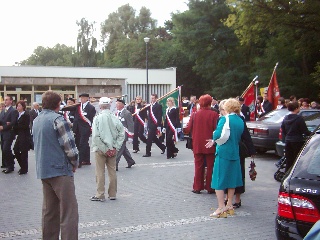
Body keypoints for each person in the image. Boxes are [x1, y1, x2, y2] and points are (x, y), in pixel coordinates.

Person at [33, 90, 79, 239]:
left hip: (44, 169)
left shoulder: (37, 119)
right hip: (60, 170)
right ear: (58, 104)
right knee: (68, 212)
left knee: (49, 212)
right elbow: (69, 146)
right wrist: (74, 162)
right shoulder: (58, 120)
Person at [206, 98, 244, 218]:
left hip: (223, 152)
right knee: (232, 180)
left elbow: (217, 134)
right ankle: (229, 204)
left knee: (218, 180)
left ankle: (221, 206)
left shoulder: (224, 119)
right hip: (235, 152)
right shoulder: (240, 120)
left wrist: (213, 137)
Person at [219, 100, 256, 208]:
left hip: (228, 149)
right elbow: (246, 136)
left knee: (228, 172)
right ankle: (236, 199)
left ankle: (228, 198)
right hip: (239, 148)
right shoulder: (240, 119)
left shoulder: (223, 119)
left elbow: (219, 135)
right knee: (239, 174)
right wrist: (252, 150)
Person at [91, 97, 124, 202]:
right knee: (112, 171)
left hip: (100, 149)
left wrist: (105, 148)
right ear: (110, 106)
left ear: (100, 106)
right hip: (113, 149)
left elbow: (95, 136)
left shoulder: (97, 118)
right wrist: (115, 147)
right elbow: (121, 134)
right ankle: (112, 193)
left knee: (100, 172)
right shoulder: (115, 118)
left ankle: (100, 194)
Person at [185, 94, 219, 194]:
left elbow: (187, 129)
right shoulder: (214, 114)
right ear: (209, 103)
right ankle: (210, 187)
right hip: (210, 143)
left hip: (198, 143)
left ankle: (197, 187)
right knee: (210, 166)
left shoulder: (195, 114)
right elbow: (216, 129)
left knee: (198, 166)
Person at [63, 93, 96, 167]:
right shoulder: (78, 106)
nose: (82, 99)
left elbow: (91, 118)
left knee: (82, 144)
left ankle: (80, 162)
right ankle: (86, 160)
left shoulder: (91, 107)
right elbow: (69, 109)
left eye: (83, 98)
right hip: (77, 128)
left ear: (87, 98)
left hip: (85, 128)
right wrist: (62, 107)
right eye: (81, 98)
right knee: (78, 144)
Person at [281, 101, 310, 172]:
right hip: (297, 141)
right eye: (299, 107)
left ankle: (287, 173)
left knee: (289, 159)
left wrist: (286, 137)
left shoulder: (285, 118)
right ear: (296, 108)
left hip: (288, 141)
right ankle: (295, 173)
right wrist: (311, 134)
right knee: (296, 160)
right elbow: (304, 131)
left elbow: (283, 129)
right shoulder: (299, 119)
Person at [115, 98, 136, 171]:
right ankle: (130, 161)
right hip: (118, 134)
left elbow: (130, 125)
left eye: (118, 104)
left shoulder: (127, 113)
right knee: (123, 149)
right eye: (116, 104)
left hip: (124, 134)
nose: (116, 105)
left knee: (119, 149)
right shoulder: (117, 112)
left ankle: (115, 165)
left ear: (122, 105)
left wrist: (131, 136)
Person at [13, 100, 32, 175]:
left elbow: (25, 126)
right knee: (15, 150)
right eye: (17, 106)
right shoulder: (17, 114)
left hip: (25, 135)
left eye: (19, 106)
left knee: (24, 152)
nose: (18, 107)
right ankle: (22, 165)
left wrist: (16, 126)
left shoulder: (26, 115)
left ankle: (24, 169)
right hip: (19, 135)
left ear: (23, 107)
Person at [0, 95, 18, 173]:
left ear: (11, 101)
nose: (5, 101)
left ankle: (10, 166)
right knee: (3, 149)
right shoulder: (3, 111)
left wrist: (4, 127)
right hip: (3, 133)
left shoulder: (13, 111)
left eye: (7, 100)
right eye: (5, 100)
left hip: (9, 133)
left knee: (6, 148)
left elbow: (13, 122)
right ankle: (7, 163)